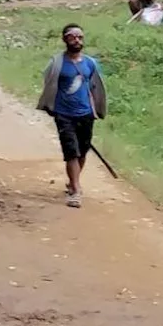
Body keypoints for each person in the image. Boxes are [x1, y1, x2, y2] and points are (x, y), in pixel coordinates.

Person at [36, 24, 106, 209]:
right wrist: (50, 106)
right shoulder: (57, 63)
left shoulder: (90, 63)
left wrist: (97, 109)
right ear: (65, 39)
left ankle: (72, 180)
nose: (77, 40)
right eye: (72, 37)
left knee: (82, 151)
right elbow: (49, 84)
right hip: (63, 113)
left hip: (85, 114)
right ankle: (76, 190)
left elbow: (96, 87)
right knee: (71, 151)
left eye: (80, 37)